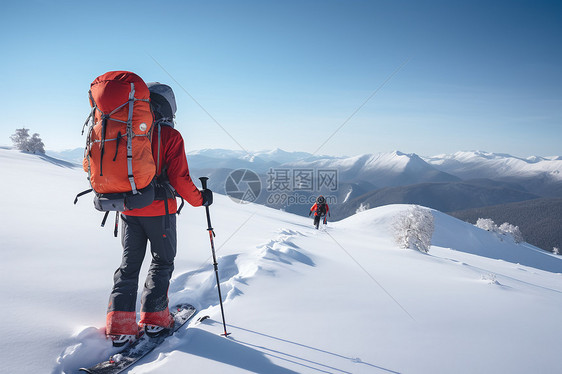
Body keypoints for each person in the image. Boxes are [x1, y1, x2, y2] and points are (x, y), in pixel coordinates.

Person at [106, 82, 213, 347]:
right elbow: (180, 178)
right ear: (168, 107)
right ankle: (155, 320)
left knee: (129, 266)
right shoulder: (170, 136)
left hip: (128, 209)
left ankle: (120, 327)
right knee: (162, 261)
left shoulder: (124, 132)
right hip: (160, 211)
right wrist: (201, 199)